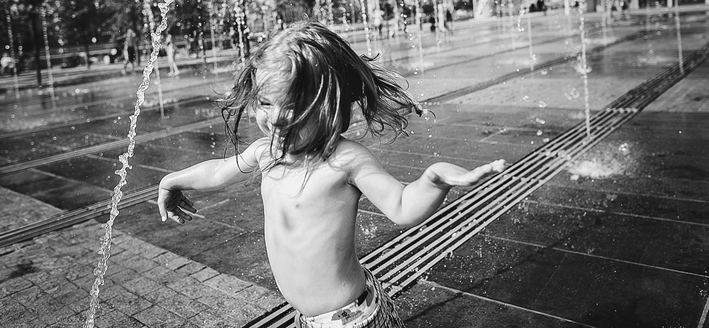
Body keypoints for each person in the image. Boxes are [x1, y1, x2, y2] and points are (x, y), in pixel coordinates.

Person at [157, 21, 506, 327]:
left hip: (350, 319)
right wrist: (171, 180)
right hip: (309, 319)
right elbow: (219, 171)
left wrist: (433, 180)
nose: (274, 118)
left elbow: (401, 206)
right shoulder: (265, 152)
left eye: (291, 105)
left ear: (327, 105)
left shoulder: (345, 160)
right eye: (265, 103)